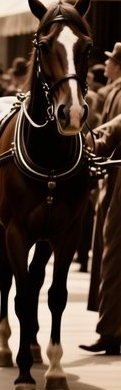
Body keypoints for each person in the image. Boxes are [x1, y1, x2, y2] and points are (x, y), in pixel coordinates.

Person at [82, 42, 121, 355]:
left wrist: (90, 140)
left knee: (113, 252)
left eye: (109, 60)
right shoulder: (113, 90)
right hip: (112, 177)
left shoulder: (118, 91)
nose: (104, 64)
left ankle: (111, 331)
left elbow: (115, 127)